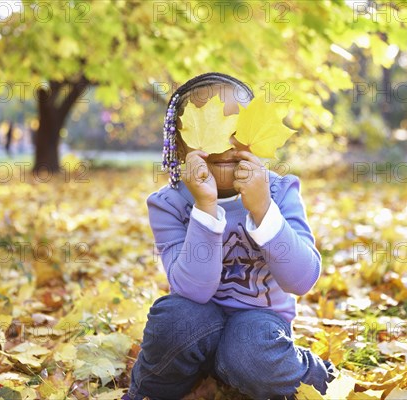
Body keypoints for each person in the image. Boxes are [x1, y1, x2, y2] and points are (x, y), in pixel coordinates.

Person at [126, 72, 336, 400]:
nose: (227, 146)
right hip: (195, 324)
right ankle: (153, 393)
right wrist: (206, 206)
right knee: (172, 317)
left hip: (258, 329)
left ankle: (307, 372)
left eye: (238, 129)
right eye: (212, 132)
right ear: (180, 146)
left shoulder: (279, 191)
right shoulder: (168, 203)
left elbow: (303, 279)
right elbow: (193, 291)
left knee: (251, 349)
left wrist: (263, 210)